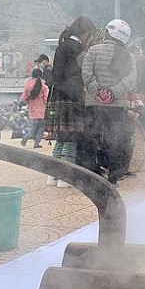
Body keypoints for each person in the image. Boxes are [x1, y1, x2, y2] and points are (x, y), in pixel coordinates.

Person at [82, 19, 137, 184]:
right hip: (117, 104)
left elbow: (86, 74)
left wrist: (97, 92)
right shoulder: (128, 56)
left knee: (91, 138)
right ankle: (113, 177)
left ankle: (90, 177)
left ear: (107, 33)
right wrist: (113, 93)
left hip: (94, 102)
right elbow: (131, 79)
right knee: (115, 139)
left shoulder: (93, 51)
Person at [44, 16, 96, 188]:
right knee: (71, 138)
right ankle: (65, 178)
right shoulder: (76, 49)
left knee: (61, 138)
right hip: (71, 98)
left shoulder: (62, 45)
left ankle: (52, 176)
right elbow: (82, 73)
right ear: (85, 33)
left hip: (57, 97)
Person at [20, 68, 49, 148]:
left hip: (32, 110)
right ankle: (36, 143)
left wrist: (29, 103)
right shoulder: (44, 87)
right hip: (42, 111)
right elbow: (46, 99)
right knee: (41, 129)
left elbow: (24, 98)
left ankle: (26, 137)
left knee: (33, 128)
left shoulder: (27, 86)